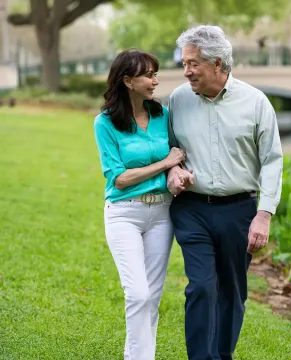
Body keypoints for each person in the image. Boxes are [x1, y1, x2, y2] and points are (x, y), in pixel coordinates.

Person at [166, 25, 283, 360]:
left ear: (217, 63)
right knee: (201, 286)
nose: (186, 71)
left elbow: (272, 161)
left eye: (193, 63)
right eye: (184, 63)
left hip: (239, 211)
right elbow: (170, 148)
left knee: (232, 291)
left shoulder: (256, 102)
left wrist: (264, 214)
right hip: (192, 210)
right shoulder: (178, 99)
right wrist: (173, 169)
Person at [93, 49, 186, 360]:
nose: (155, 80)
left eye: (155, 73)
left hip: (162, 213)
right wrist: (165, 163)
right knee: (138, 294)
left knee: (153, 297)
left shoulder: (164, 116)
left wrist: (175, 168)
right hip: (124, 214)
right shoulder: (105, 123)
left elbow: (179, 154)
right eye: (148, 74)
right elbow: (119, 178)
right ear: (128, 80)